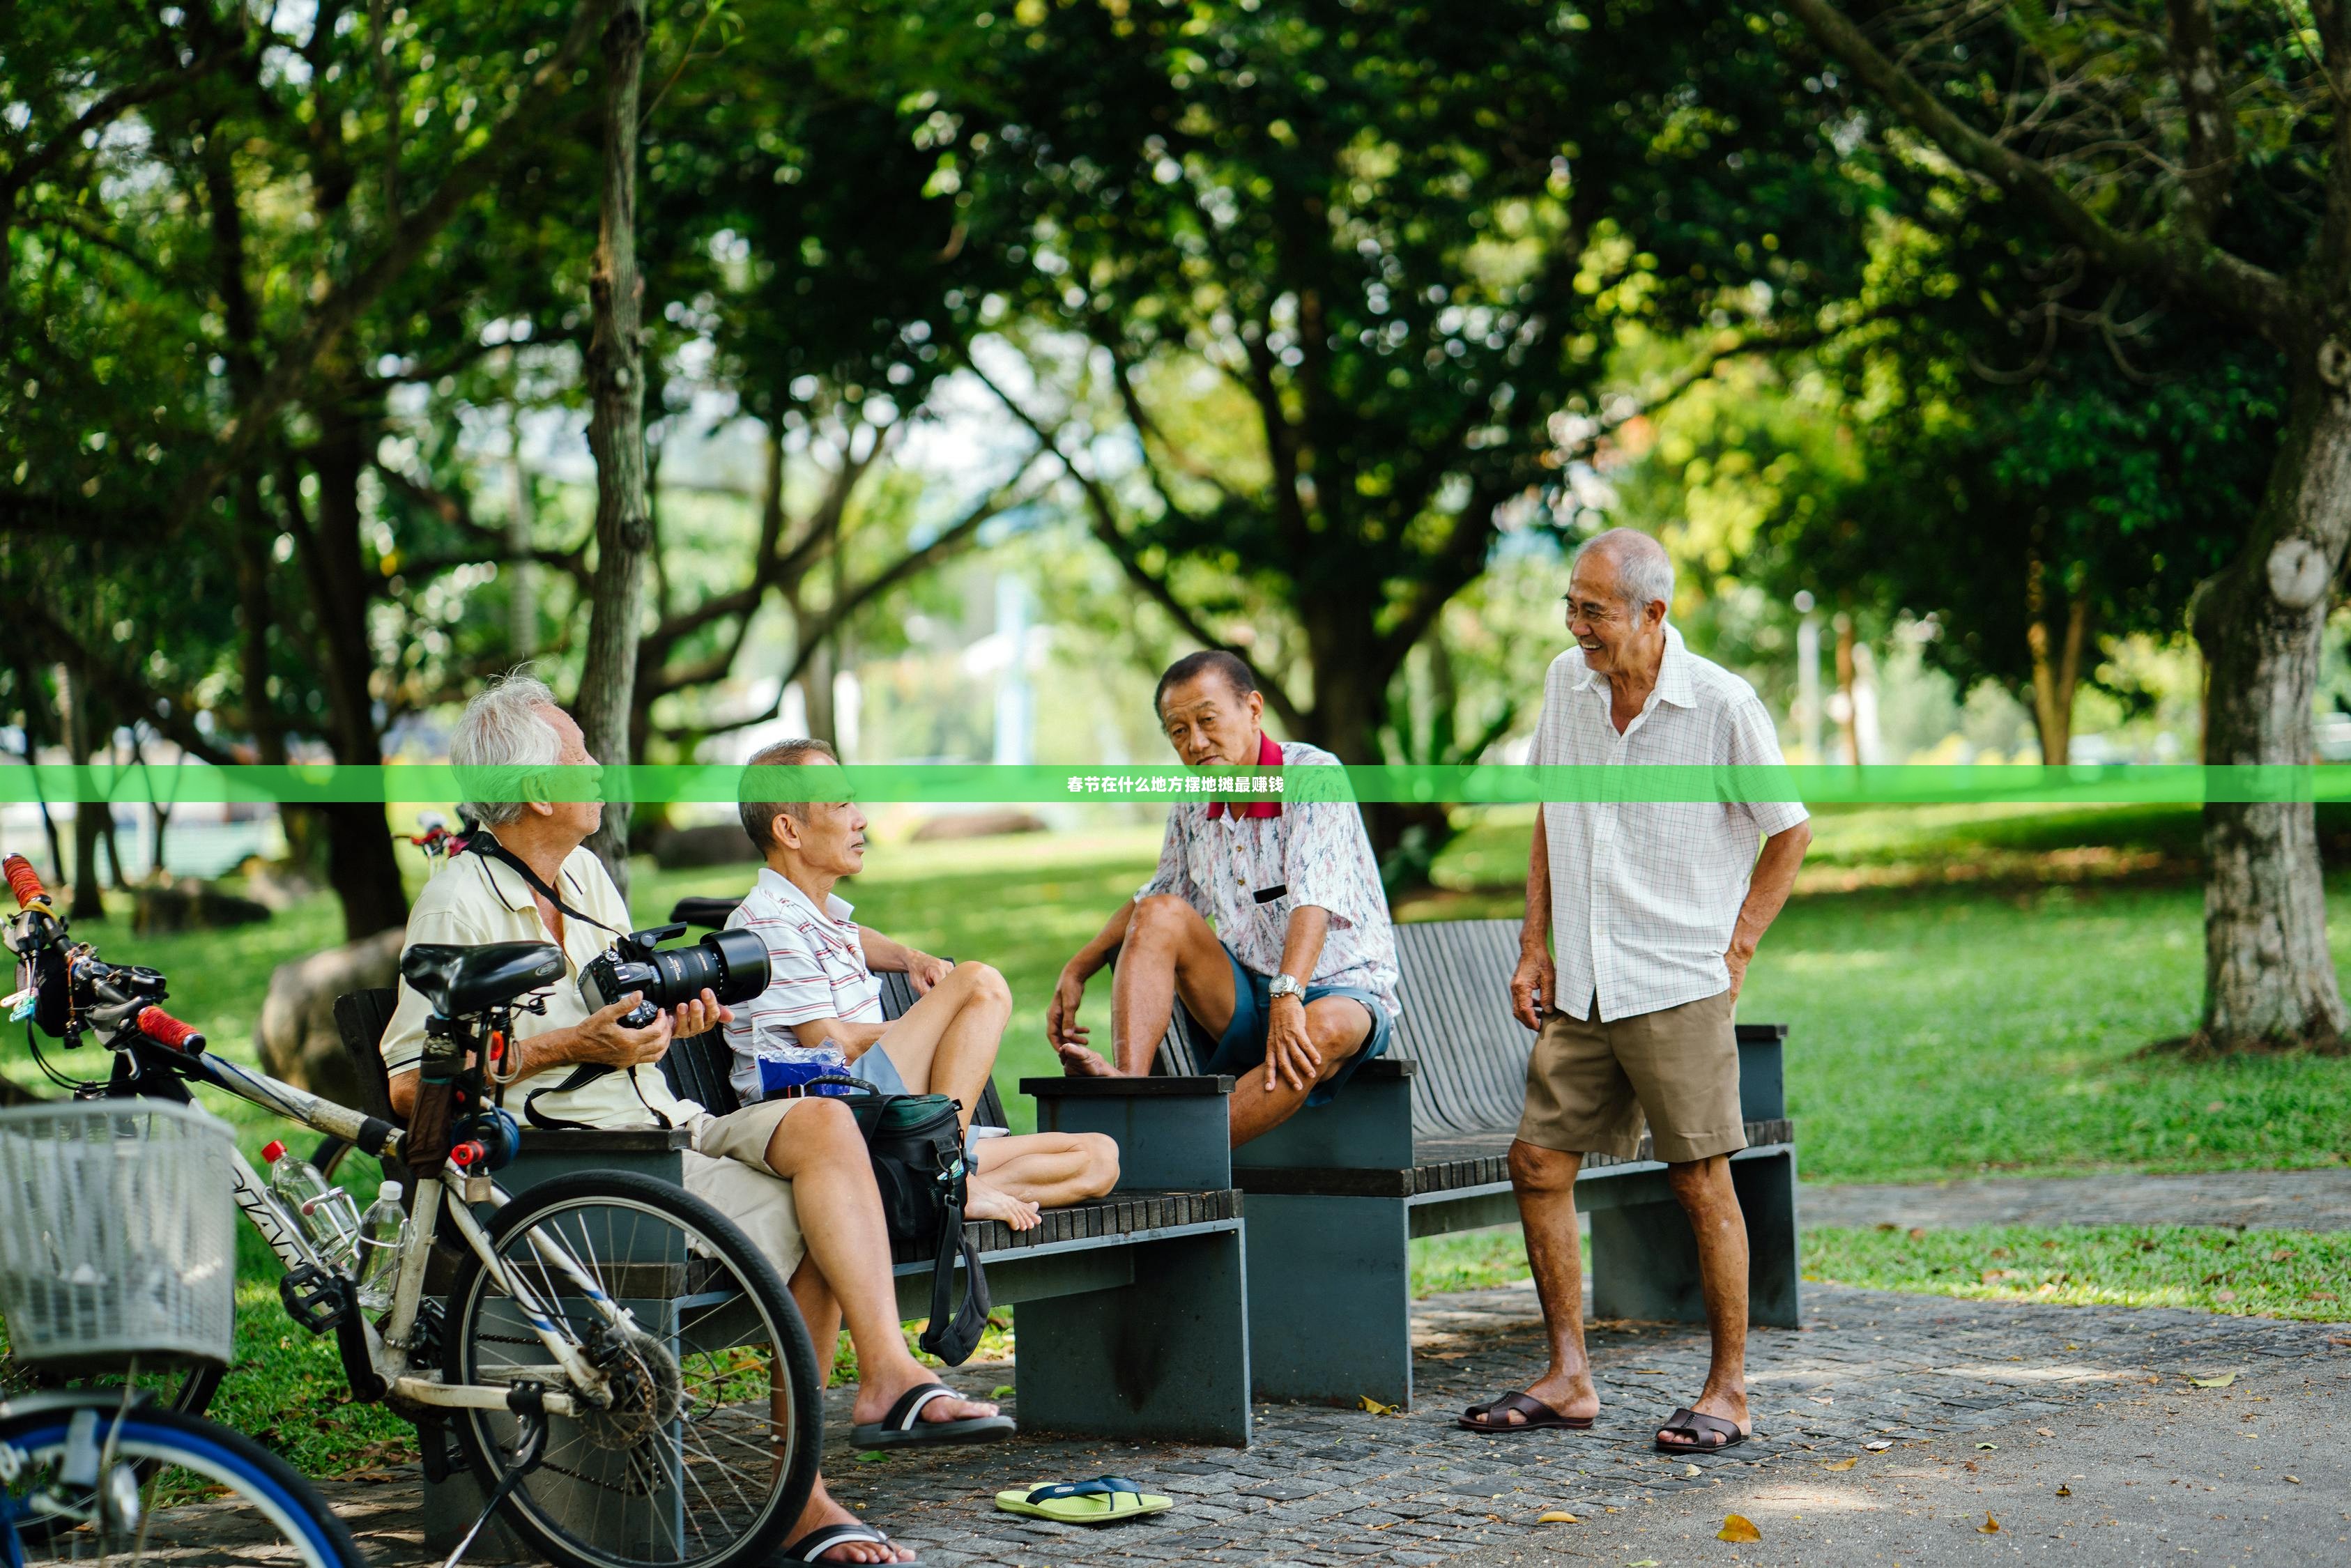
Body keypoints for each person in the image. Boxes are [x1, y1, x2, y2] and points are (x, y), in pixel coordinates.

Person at [378, 675, 1006, 1566]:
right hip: (574, 1166)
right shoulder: (459, 902)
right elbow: (413, 1088)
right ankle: (804, 1499)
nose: (600, 767)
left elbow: (621, 1018)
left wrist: (670, 1026)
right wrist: (572, 1046)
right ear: (537, 789)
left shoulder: (584, 876)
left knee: (825, 1129)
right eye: (581, 755)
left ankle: (886, 1377)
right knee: (821, 1212)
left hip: (668, 1122)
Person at [1458, 530, 1810, 1455]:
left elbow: (1788, 832)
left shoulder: (1722, 704)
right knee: (1537, 1163)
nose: (1576, 626)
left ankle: (1728, 1392)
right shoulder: (1565, 685)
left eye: (1593, 611)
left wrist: (1737, 948)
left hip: (1675, 979)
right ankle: (1568, 1376)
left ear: (1653, 612)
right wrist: (1532, 944)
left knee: (1698, 1178)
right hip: (1583, 981)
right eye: (1571, 606)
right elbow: (1551, 811)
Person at [726, 739, 1120, 1229]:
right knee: (979, 984)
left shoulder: (815, 917)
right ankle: (948, 1171)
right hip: (830, 1116)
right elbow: (831, 1044)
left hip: (882, 1119)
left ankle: (925, 1192)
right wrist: (945, 1027)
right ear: (789, 830)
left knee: (1098, 1158)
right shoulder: (768, 923)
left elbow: (852, 935)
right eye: (840, 805)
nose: (860, 819)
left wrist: (909, 957)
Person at [1048, 650, 1400, 1147]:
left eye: (1207, 720)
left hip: (1339, 994)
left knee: (1319, 1029)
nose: (1195, 742)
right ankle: (1129, 1091)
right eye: (1178, 731)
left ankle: (1171, 1149)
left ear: (1253, 709)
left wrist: (1287, 996)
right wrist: (1079, 965)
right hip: (1241, 998)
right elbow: (1162, 894)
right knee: (1159, 913)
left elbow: (1314, 901)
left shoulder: (1313, 775)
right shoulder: (1194, 799)